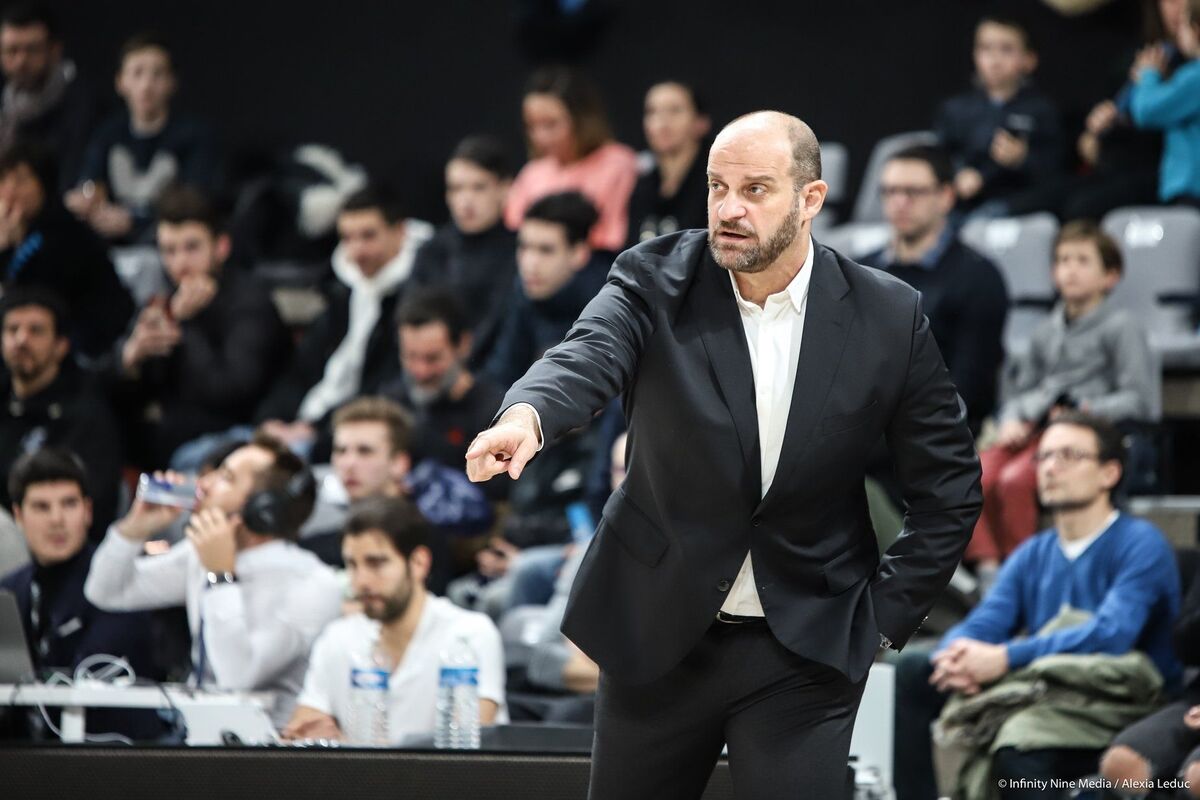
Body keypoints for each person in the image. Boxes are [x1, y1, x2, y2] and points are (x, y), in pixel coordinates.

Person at [466, 111, 982, 799]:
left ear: (811, 199)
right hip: (659, 628)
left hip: (805, 644)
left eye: (755, 189)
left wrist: (883, 620)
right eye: (717, 186)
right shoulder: (654, 277)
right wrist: (528, 416)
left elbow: (949, 487)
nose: (729, 209)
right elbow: (587, 353)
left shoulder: (887, 315)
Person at [892, 412, 1181, 800]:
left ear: (1109, 473)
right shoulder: (1034, 552)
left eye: (1069, 455)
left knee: (1021, 745)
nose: (1050, 467)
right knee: (912, 669)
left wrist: (1005, 658)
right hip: (1049, 685)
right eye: (1043, 456)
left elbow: (1112, 634)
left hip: (1122, 698)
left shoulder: (1141, 543)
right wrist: (954, 656)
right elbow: (988, 620)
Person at [83, 434, 343, 726]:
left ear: (264, 509)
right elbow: (106, 592)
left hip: (268, 744)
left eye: (226, 478)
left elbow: (236, 679)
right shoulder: (201, 555)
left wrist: (221, 577)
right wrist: (135, 528)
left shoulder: (313, 585)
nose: (204, 483)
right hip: (193, 734)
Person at [971, 221, 1157, 575]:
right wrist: (1012, 419)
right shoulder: (1045, 330)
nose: (1070, 270)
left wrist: (1085, 411)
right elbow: (1020, 392)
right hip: (1036, 428)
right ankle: (988, 568)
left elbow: (1141, 400)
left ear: (1110, 276)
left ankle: (1024, 571)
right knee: (973, 473)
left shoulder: (1122, 327)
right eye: (1063, 260)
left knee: (1015, 481)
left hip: (1083, 433)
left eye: (1082, 261)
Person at [283, 496, 506, 744]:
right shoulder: (337, 637)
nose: (361, 581)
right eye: (352, 565)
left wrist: (346, 744)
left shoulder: (470, 635)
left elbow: (470, 747)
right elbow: (302, 732)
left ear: (418, 563)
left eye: (376, 563)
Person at [115, 186, 290, 468]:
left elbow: (232, 392)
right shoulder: (164, 300)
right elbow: (134, 394)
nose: (180, 263)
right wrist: (132, 359)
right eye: (169, 250)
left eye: (192, 247)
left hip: (234, 437)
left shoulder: (251, 303)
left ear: (221, 247)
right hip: (168, 437)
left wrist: (185, 324)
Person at [255, 184, 432, 456]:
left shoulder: (417, 297)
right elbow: (302, 367)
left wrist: (315, 430)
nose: (356, 251)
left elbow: (382, 387)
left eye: (368, 236)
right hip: (303, 426)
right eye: (347, 238)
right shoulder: (345, 290)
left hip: (344, 439)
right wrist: (272, 419)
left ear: (400, 232)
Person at [0, 448, 162, 741]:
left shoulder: (117, 583)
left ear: (87, 511)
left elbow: (92, 674)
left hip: (113, 753)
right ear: (18, 515)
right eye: (41, 507)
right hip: (24, 756)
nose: (57, 519)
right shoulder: (9, 590)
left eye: (69, 504)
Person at [861, 145, 1008, 433]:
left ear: (946, 197)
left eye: (913, 192)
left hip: (939, 435)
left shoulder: (978, 277)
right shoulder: (861, 271)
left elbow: (969, 387)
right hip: (865, 429)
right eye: (890, 191)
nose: (899, 202)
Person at [65, 32, 221, 243]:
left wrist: (135, 222)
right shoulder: (107, 133)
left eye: (158, 74)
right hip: (107, 244)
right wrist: (86, 199)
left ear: (172, 82)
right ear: (120, 82)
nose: (146, 85)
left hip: (166, 245)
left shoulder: (194, 135)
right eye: (137, 73)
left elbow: (198, 202)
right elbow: (89, 182)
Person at [0, 288, 121, 538]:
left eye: (36, 330)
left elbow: (95, 501)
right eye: (12, 329)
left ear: (61, 345)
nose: (21, 340)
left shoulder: (86, 411)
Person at [0, 140, 134, 359]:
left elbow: (35, 301)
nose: (9, 192)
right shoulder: (14, 233)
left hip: (82, 346)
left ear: (43, 184)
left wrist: (5, 249)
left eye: (21, 180)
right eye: (4, 180)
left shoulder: (66, 234)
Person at [935, 15, 1062, 215]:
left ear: (1029, 60)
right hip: (962, 204)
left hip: (1018, 203)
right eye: (985, 48)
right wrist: (959, 174)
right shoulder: (955, 109)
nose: (995, 60)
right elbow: (940, 158)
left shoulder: (1042, 110)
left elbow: (1057, 168)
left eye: (1006, 49)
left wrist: (1023, 158)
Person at [483, 191, 609, 390]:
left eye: (546, 250)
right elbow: (501, 373)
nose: (530, 264)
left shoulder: (607, 307)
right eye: (524, 247)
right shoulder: (523, 292)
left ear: (579, 253)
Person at [503, 66, 638, 253]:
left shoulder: (617, 163)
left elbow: (613, 239)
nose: (540, 136)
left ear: (582, 119)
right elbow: (514, 231)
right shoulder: (533, 171)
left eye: (551, 124)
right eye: (531, 126)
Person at [409, 135, 517, 368]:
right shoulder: (431, 251)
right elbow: (411, 320)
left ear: (504, 187)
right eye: (456, 189)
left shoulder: (521, 253)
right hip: (429, 372)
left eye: (479, 187)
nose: (466, 200)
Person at [385, 286, 507, 473]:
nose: (421, 371)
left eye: (432, 358)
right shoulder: (391, 404)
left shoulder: (495, 414)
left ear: (463, 345)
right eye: (410, 356)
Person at [0, 3, 99, 193]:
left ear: (54, 50)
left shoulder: (84, 108)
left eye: (32, 50)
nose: (21, 61)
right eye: (11, 50)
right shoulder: (6, 110)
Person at [1128, 0, 1200, 208]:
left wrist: (1149, 75)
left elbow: (1146, 111)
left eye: (1182, 25)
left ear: (1196, 30)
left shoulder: (1194, 76)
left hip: (1191, 191)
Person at [626, 80, 711, 248]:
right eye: (652, 112)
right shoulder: (641, 186)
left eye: (674, 110)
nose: (662, 122)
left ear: (701, 123)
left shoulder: (715, 183)